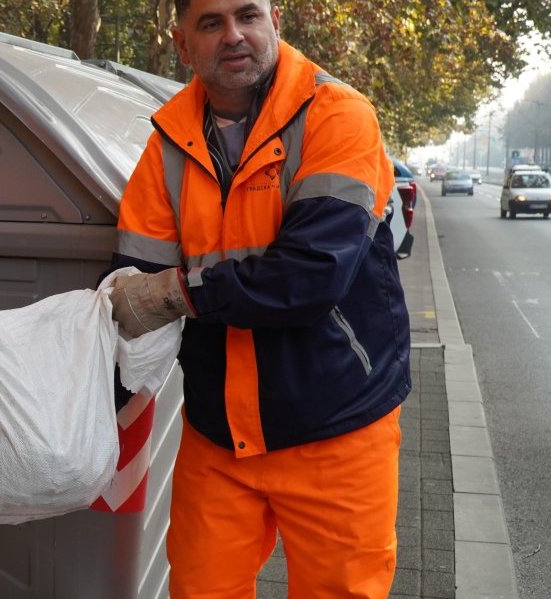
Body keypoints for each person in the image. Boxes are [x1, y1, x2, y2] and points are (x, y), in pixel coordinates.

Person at [108, 0, 410, 596]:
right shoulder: (167, 143)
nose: (233, 36)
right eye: (211, 23)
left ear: (276, 21)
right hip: (218, 434)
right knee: (199, 589)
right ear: (182, 43)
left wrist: (179, 292)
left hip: (336, 425)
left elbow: (308, 278)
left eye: (247, 16)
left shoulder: (338, 116)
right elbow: (133, 284)